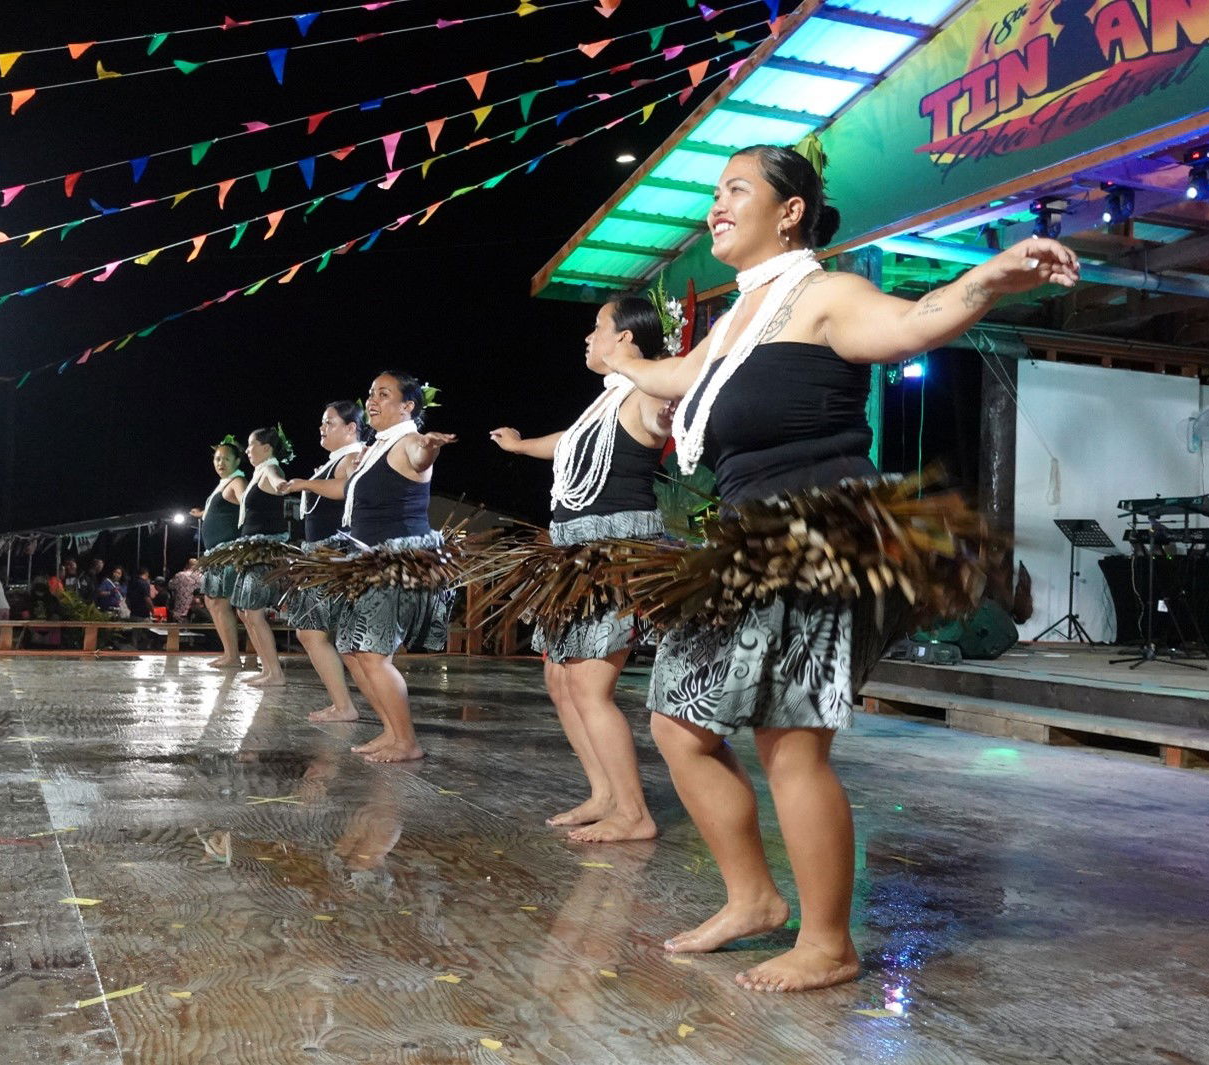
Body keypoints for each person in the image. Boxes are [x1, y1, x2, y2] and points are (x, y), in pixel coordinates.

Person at [603, 142, 1079, 992]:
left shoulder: (824, 296)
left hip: (817, 535)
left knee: (789, 742)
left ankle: (828, 941)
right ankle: (752, 898)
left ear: (789, 211)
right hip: (748, 541)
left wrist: (987, 281)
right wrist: (620, 364)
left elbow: (910, 324)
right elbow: (683, 375)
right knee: (679, 721)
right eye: (715, 193)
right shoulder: (740, 314)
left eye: (734, 189)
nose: (715, 205)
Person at [489, 296, 672, 843]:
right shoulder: (604, 402)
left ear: (626, 339)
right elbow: (568, 445)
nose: (587, 338)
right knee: (560, 678)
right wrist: (521, 447)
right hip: (571, 554)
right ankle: (604, 794)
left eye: (597, 328)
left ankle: (634, 813)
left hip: (614, 554)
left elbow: (675, 406)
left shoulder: (647, 391)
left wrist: (662, 380)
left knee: (591, 685)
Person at [282, 372, 455, 762]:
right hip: (366, 561)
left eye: (384, 394)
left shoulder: (409, 441)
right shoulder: (377, 447)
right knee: (353, 649)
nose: (372, 400)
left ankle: (407, 741)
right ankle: (391, 731)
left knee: (374, 655)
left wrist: (430, 449)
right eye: (372, 393)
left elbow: (420, 458)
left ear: (407, 406)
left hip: (395, 563)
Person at [276, 401, 368, 723]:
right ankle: (345, 706)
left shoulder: (355, 457)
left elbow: (345, 489)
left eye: (329, 422)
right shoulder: (337, 459)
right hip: (321, 556)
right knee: (318, 635)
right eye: (322, 422)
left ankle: (347, 707)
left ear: (351, 428)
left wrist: (305, 484)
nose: (322, 428)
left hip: (337, 555)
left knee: (323, 636)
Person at [227, 426, 294, 687]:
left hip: (264, 550)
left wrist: (283, 486)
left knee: (253, 613)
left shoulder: (269, 469)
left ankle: (275, 673)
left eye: (251, 445)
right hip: (251, 549)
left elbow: (278, 484)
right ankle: (268, 669)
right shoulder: (257, 473)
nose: (247, 450)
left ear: (266, 448)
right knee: (245, 612)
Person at [194, 436, 247, 668]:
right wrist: (203, 514)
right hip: (215, 553)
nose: (220, 462)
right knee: (212, 601)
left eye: (226, 458)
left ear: (238, 460)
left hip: (228, 552)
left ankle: (233, 656)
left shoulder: (237, 481)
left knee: (220, 602)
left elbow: (247, 502)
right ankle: (229, 654)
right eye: (217, 458)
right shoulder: (222, 484)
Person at [168, 558, 203, 622]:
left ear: (187, 565)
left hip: (180, 613)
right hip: (196, 613)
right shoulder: (202, 577)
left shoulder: (180, 575)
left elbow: (170, 586)